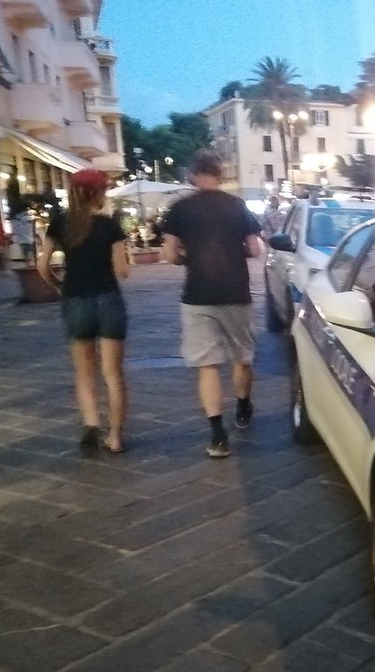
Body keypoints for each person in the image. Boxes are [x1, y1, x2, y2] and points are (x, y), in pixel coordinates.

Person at [161, 149, 265, 458]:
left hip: (198, 294)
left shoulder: (179, 208)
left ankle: (218, 436)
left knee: (207, 365)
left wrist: (187, 258)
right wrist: (236, 251)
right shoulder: (237, 206)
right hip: (235, 291)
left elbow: (169, 254)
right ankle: (243, 406)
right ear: (221, 174)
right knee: (242, 357)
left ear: (193, 175)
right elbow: (255, 249)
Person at [37, 169, 130, 455]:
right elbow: (122, 271)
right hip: (108, 298)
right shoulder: (109, 226)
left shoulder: (60, 223)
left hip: (75, 298)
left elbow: (42, 265)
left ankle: (91, 424)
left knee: (84, 371)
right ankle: (115, 437)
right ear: (98, 193)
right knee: (112, 373)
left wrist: (59, 286)